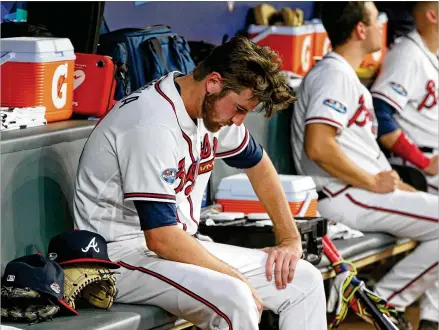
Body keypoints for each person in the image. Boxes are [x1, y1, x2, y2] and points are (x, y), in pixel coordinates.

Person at [73, 36, 326, 329]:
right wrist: (235, 277)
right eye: (240, 108)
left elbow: (258, 163)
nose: (239, 121)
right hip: (116, 256)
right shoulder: (152, 123)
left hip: (175, 247)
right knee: (235, 297)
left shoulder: (211, 111)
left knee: (304, 280)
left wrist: (290, 240)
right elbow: (161, 237)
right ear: (214, 82)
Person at [290, 2, 438, 330]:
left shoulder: (344, 75)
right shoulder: (333, 74)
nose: (380, 26)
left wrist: (399, 186)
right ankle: (378, 303)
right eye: (374, 20)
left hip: (357, 192)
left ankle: (381, 302)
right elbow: (319, 146)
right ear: (360, 29)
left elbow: (359, 152)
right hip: (341, 194)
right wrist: (373, 181)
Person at [371, 1, 438, 194]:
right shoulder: (407, 55)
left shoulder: (431, 54)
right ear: (432, 16)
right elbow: (380, 115)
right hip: (418, 165)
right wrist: (424, 162)